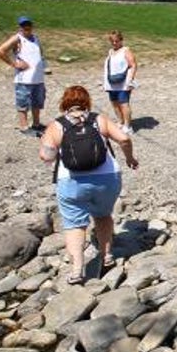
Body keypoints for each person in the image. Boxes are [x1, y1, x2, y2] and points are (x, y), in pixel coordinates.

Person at [39, 85, 138, 285]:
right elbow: (124, 139)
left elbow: (46, 155)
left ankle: (77, 270)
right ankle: (107, 255)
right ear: (87, 102)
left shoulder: (56, 125)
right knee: (102, 215)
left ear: (64, 104)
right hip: (107, 178)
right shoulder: (98, 119)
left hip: (71, 181)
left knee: (74, 224)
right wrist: (130, 158)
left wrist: (54, 154)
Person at [0, 15, 47, 136]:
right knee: (23, 102)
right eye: (23, 25)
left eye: (28, 25)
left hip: (38, 78)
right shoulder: (17, 38)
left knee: (37, 102)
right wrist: (14, 64)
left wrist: (44, 66)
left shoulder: (36, 38)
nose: (26, 27)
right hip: (24, 79)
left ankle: (36, 124)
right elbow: (0, 51)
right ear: (20, 27)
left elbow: (41, 53)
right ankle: (24, 127)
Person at [104, 30, 138, 133]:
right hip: (111, 83)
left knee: (124, 103)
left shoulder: (125, 51)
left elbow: (133, 65)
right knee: (114, 103)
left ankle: (128, 126)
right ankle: (121, 121)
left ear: (121, 40)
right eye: (112, 41)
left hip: (123, 83)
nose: (115, 43)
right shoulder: (110, 51)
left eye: (117, 41)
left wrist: (130, 80)